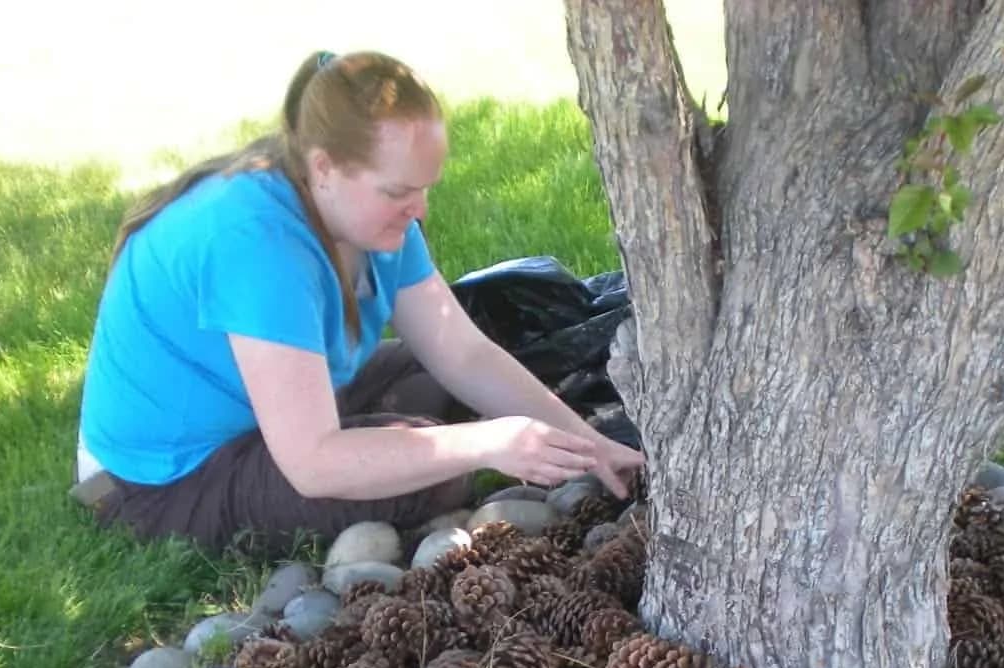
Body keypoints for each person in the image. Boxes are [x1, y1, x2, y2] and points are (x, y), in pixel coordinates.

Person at [74, 49, 643, 555]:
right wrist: (485, 443)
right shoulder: (258, 244)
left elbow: (462, 353)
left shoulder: (368, 219)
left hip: (270, 407)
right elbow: (313, 463)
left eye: (424, 188)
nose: (420, 210)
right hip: (167, 480)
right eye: (398, 191)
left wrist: (592, 447)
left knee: (461, 382)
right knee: (435, 475)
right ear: (324, 167)